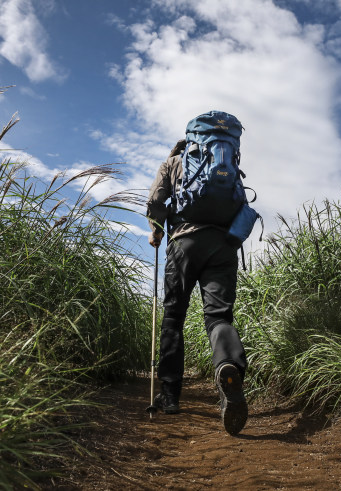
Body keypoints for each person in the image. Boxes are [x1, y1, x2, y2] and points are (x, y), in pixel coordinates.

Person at [146, 117, 249, 436]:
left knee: (174, 317)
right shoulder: (228, 163)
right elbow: (240, 205)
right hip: (222, 246)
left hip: (184, 243)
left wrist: (156, 230)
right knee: (219, 317)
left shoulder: (173, 162)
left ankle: (170, 396)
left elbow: (155, 201)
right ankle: (227, 367)